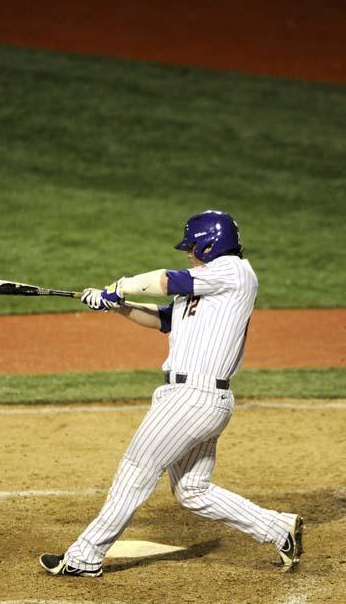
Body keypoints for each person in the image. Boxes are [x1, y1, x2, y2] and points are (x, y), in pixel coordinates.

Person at [39, 209, 303, 577]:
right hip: (197, 400)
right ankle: (278, 528)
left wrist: (121, 285)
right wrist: (117, 305)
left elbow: (166, 280)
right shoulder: (205, 283)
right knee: (193, 491)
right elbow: (164, 319)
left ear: (210, 245)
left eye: (193, 248)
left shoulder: (234, 272)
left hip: (192, 399)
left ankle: (85, 556)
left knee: (135, 469)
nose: (189, 254)